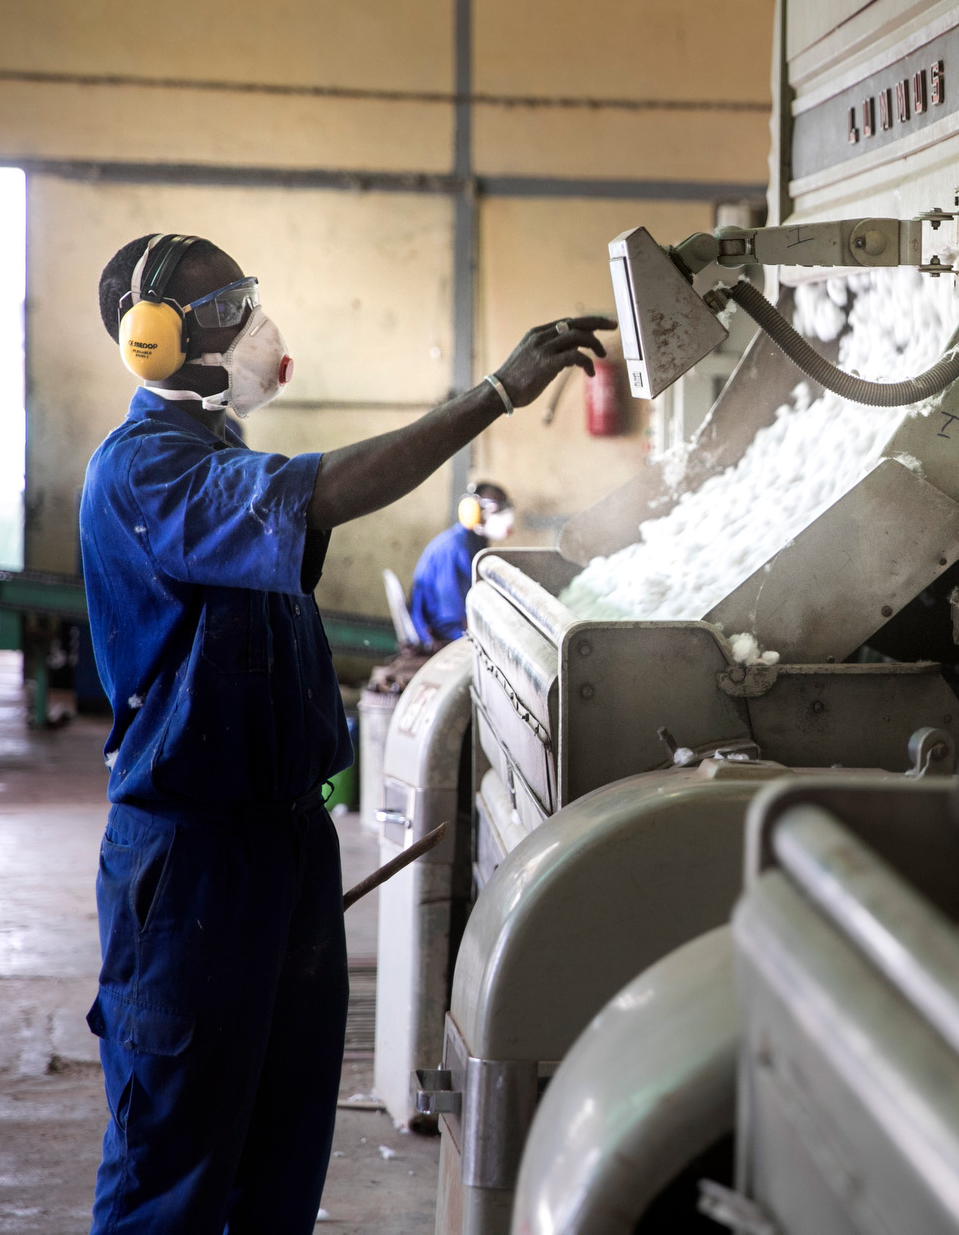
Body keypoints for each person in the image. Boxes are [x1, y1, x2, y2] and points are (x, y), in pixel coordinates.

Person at [80, 232, 607, 1233]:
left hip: (284, 845)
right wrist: (493, 394)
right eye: (227, 307)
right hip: (194, 860)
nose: (254, 325)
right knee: (176, 1161)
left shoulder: (216, 451)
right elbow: (330, 488)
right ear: (154, 341)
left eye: (248, 298)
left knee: (280, 1152)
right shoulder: (146, 471)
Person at [408, 479, 513, 646]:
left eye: (506, 507)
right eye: (495, 508)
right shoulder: (455, 549)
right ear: (473, 511)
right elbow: (449, 622)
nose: (506, 515)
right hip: (440, 638)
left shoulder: (473, 544)